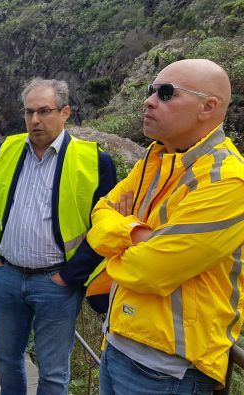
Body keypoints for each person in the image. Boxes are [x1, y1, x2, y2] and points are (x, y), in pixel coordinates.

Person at [87, 59, 244, 394]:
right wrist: (137, 233)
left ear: (208, 107)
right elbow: (99, 215)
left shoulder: (229, 181)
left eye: (166, 93)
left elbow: (150, 270)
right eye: (150, 91)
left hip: (169, 370)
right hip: (117, 343)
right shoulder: (153, 161)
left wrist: (118, 231)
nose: (149, 100)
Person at [0, 78, 116, 394]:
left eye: (44, 111)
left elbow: (107, 226)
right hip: (7, 276)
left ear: (65, 112)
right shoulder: (6, 149)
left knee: (53, 372)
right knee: (6, 359)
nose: (35, 120)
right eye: (29, 112)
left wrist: (70, 276)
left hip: (56, 284)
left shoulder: (94, 161)